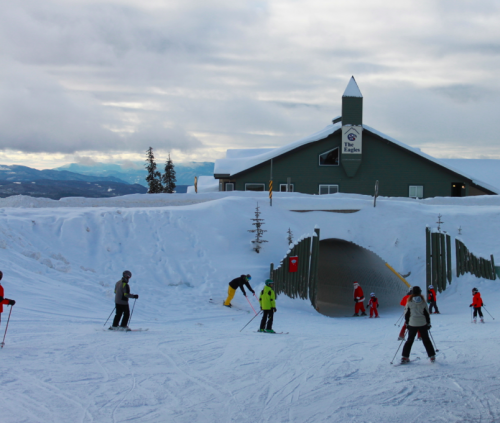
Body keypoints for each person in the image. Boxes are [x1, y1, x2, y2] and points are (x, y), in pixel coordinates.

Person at [401, 286, 436, 364]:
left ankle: (405, 357)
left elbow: (406, 314)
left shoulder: (409, 302)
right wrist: (428, 323)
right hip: (422, 323)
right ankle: (432, 356)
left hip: (412, 323)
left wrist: (407, 323)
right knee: (426, 340)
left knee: (409, 340)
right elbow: (427, 314)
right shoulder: (423, 302)